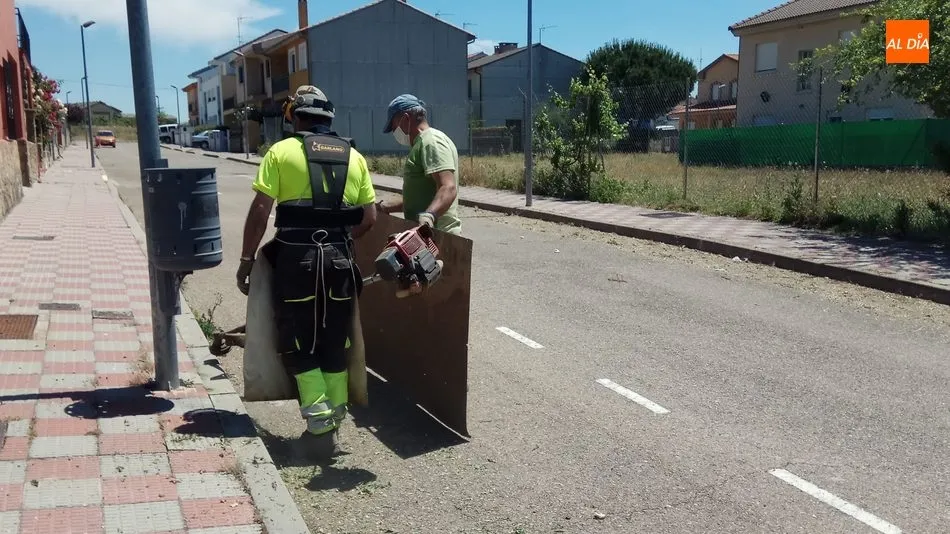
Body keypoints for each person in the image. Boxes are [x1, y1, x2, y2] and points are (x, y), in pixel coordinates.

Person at [236, 85, 377, 457]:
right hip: (339, 262)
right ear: (328, 119)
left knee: (296, 340)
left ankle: (318, 422)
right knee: (335, 340)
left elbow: (261, 211)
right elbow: (369, 218)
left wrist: (247, 261)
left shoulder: (281, 152)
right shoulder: (355, 158)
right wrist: (338, 241)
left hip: (296, 261)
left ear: (295, 117)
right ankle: (335, 415)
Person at [377, 94, 461, 235]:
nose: (394, 132)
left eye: (394, 126)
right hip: (424, 235)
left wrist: (430, 216)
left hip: (438, 236)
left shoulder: (431, 142)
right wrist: (386, 206)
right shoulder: (421, 143)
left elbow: (448, 187)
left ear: (406, 119)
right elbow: (418, 200)